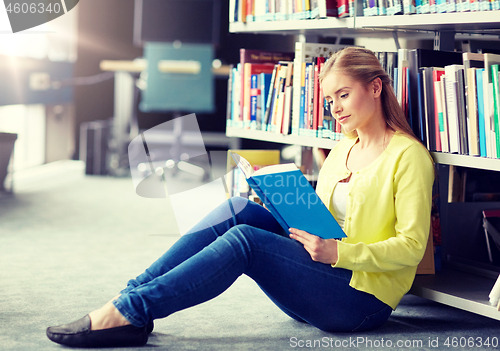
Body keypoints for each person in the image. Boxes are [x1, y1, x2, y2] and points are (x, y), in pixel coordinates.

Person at [46, 47, 435, 348]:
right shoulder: (341, 147)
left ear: (376, 87)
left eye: (343, 95)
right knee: (239, 210)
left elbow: (412, 247)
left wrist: (339, 254)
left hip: (360, 302)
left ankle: (131, 312)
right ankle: (129, 295)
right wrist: (284, 208)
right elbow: (325, 220)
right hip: (321, 276)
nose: (333, 109)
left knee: (245, 242)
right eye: (329, 99)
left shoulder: (408, 156)